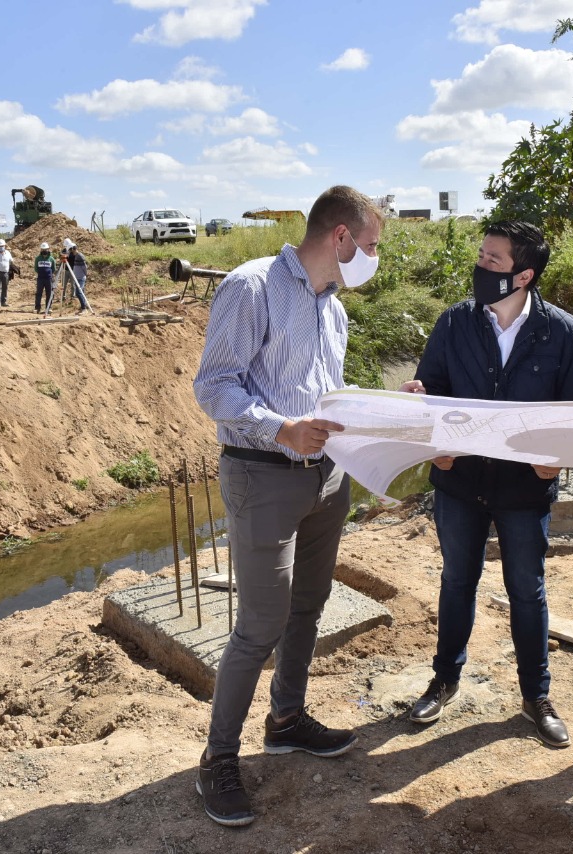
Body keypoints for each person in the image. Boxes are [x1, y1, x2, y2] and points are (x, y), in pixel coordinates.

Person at [192, 185, 385, 828]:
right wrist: (280, 428)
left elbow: (325, 400)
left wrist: (388, 406)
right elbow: (214, 387)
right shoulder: (251, 288)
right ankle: (218, 758)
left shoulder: (334, 310)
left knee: (309, 603)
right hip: (263, 475)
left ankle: (286, 718)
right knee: (261, 620)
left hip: (327, 480)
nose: (373, 257)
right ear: (341, 238)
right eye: (372, 245)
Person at [402, 221, 573, 749]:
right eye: (481, 256)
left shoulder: (561, 332)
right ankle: (444, 680)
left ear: (523, 274)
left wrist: (559, 461)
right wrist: (421, 403)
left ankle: (537, 696)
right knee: (456, 581)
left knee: (526, 591)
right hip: (460, 482)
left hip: (523, 489)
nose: (481, 267)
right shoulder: (454, 323)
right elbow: (433, 392)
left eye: (493, 260)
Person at [62, 238, 90, 313]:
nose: (70, 252)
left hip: (80, 277)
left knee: (78, 292)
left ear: (72, 249)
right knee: (82, 292)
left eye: (70, 250)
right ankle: (84, 306)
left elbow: (84, 267)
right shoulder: (76, 255)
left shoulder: (80, 256)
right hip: (77, 276)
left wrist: (85, 275)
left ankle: (84, 308)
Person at [33, 242, 56, 314]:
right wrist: (40, 273)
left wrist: (49, 274)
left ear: (48, 249)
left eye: (45, 249)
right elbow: (36, 268)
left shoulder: (51, 259)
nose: (44, 251)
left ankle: (48, 307)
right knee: (38, 293)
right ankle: (37, 308)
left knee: (49, 293)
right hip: (40, 278)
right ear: (41, 250)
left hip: (48, 279)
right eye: (43, 249)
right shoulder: (38, 258)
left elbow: (53, 268)